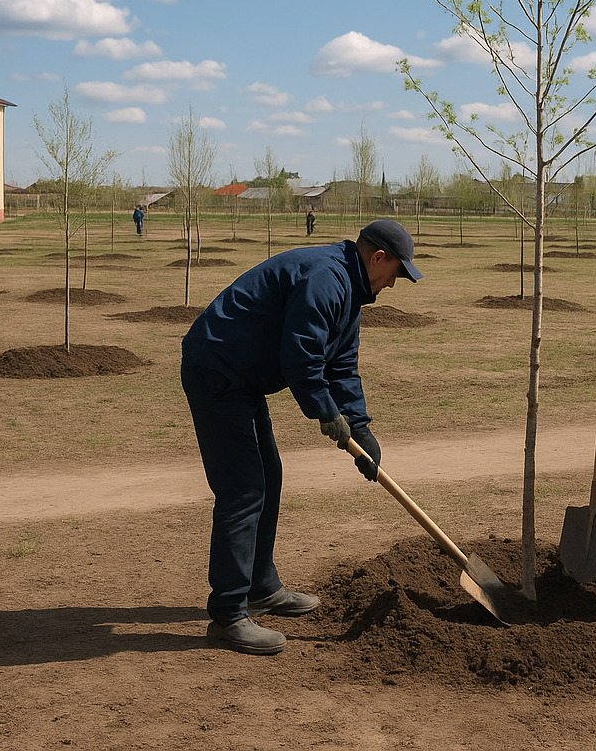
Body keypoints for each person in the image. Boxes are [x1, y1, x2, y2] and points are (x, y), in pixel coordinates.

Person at [180, 218, 422, 654]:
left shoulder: (349, 292)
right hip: (217, 370)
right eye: (396, 273)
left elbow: (342, 365)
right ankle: (229, 614)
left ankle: (261, 588)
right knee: (243, 489)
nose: (394, 284)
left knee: (269, 477)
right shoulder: (326, 279)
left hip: (243, 378)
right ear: (377, 258)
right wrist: (326, 414)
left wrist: (361, 429)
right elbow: (301, 356)